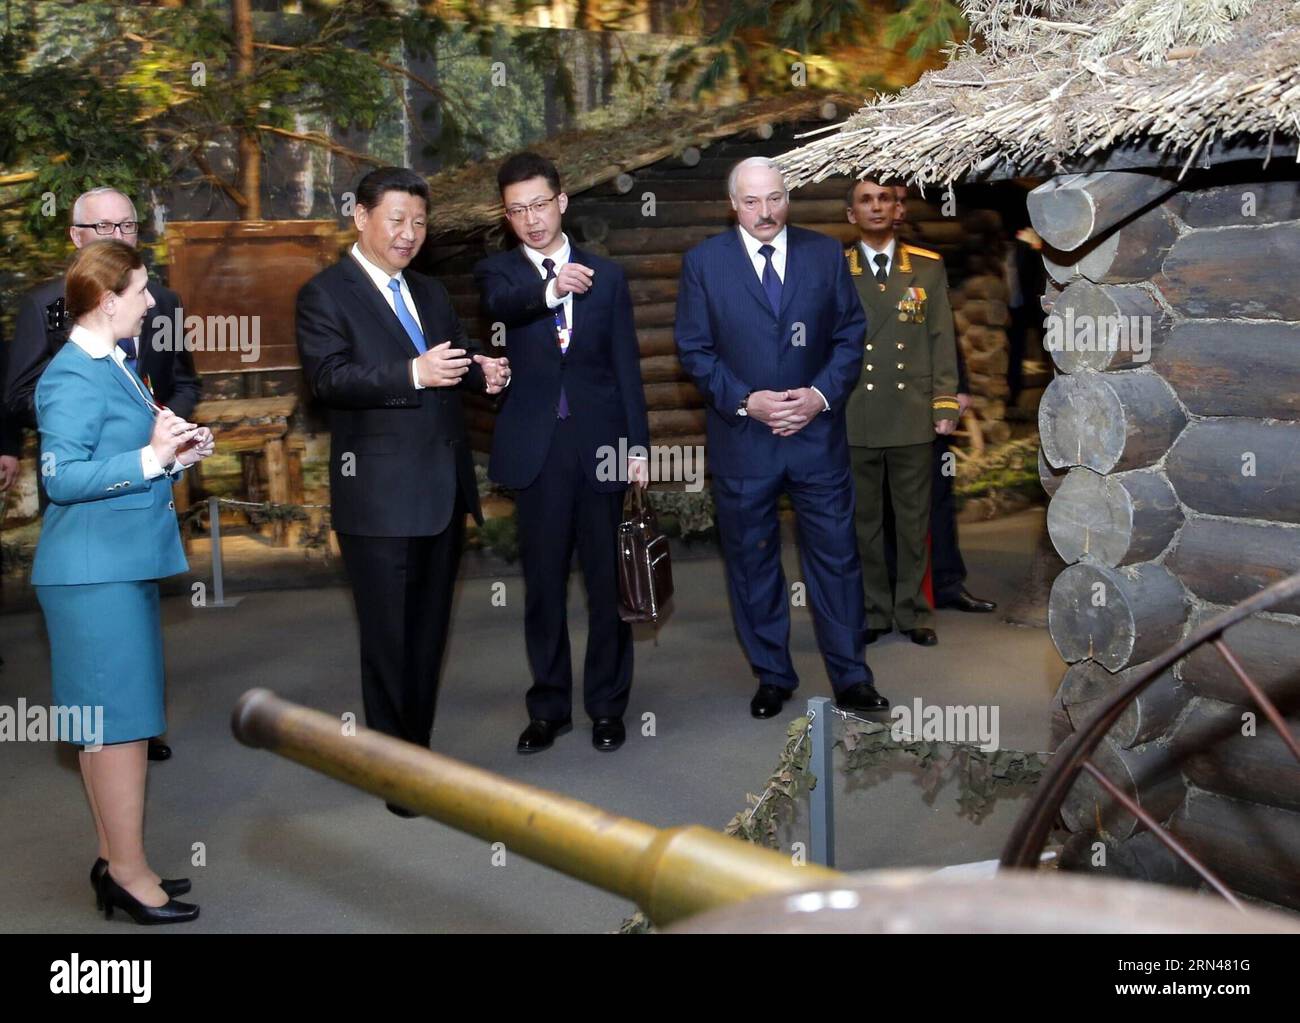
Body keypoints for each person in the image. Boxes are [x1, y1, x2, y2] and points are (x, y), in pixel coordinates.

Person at [296, 166, 509, 815]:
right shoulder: (325, 294)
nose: (410, 233)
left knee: (427, 631)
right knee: (387, 634)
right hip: (379, 496)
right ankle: (394, 768)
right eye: (396, 219)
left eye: (420, 221)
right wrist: (411, 372)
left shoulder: (429, 290)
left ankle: (417, 749)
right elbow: (330, 380)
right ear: (359, 217)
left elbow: (450, 352)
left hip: (442, 488)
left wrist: (480, 368)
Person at [32, 239, 214, 923]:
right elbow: (61, 477)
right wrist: (149, 456)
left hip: (111, 567)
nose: (150, 301)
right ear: (108, 301)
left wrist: (175, 454)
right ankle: (131, 873)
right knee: (117, 728)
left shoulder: (112, 362)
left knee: (112, 726)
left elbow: (125, 457)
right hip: (92, 576)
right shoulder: (73, 374)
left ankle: (118, 862)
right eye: (142, 291)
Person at [675, 156, 887, 719]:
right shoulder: (703, 263)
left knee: (837, 558)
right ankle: (772, 674)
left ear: (787, 197)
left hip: (816, 436)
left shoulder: (824, 254)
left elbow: (849, 335)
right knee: (752, 560)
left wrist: (817, 397)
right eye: (751, 201)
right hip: (743, 439)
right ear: (732, 204)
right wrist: (749, 401)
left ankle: (852, 677)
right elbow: (694, 350)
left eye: (774, 199)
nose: (764, 212)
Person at [6, 185, 201, 762]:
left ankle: (137, 729)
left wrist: (167, 424)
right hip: (93, 498)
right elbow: (22, 394)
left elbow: (185, 377)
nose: (117, 237)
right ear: (76, 238)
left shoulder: (161, 299)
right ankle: (122, 742)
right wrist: (101, 414)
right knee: (101, 675)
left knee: (131, 658)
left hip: (145, 494)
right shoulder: (49, 309)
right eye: (103, 229)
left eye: (127, 227)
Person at [474, 153, 650, 754]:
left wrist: (639, 447)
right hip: (538, 453)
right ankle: (549, 708)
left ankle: (606, 706)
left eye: (540, 205)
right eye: (517, 209)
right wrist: (551, 287)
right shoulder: (499, 274)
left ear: (562, 202)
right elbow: (504, 308)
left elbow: (627, 365)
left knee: (609, 588)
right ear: (507, 214)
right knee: (544, 588)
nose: (531, 219)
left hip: (600, 446)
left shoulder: (608, 275)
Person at [843, 178, 960, 646]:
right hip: (856, 410)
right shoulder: (835, 268)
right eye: (865, 200)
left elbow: (941, 338)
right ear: (851, 214)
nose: (876, 207)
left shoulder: (928, 267)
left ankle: (914, 611)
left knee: (913, 520)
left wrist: (945, 400)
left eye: (884, 199)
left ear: (898, 210)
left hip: (911, 410)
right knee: (863, 522)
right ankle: (873, 610)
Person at [888, 185, 996, 615]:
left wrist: (959, 388)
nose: (892, 210)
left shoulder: (925, 264)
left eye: (898, 201)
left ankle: (948, 583)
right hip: (872, 406)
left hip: (926, 401)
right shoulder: (845, 266)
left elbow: (943, 332)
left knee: (937, 496)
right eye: (879, 200)